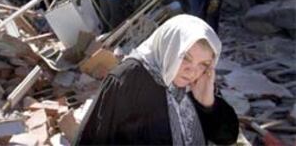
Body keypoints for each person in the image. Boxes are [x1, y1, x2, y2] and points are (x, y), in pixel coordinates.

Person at [75, 14, 239, 145]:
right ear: (169, 49)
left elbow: (227, 138)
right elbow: (95, 137)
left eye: (203, 64)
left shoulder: (196, 86)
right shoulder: (130, 78)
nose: (192, 71)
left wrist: (208, 105)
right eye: (185, 58)